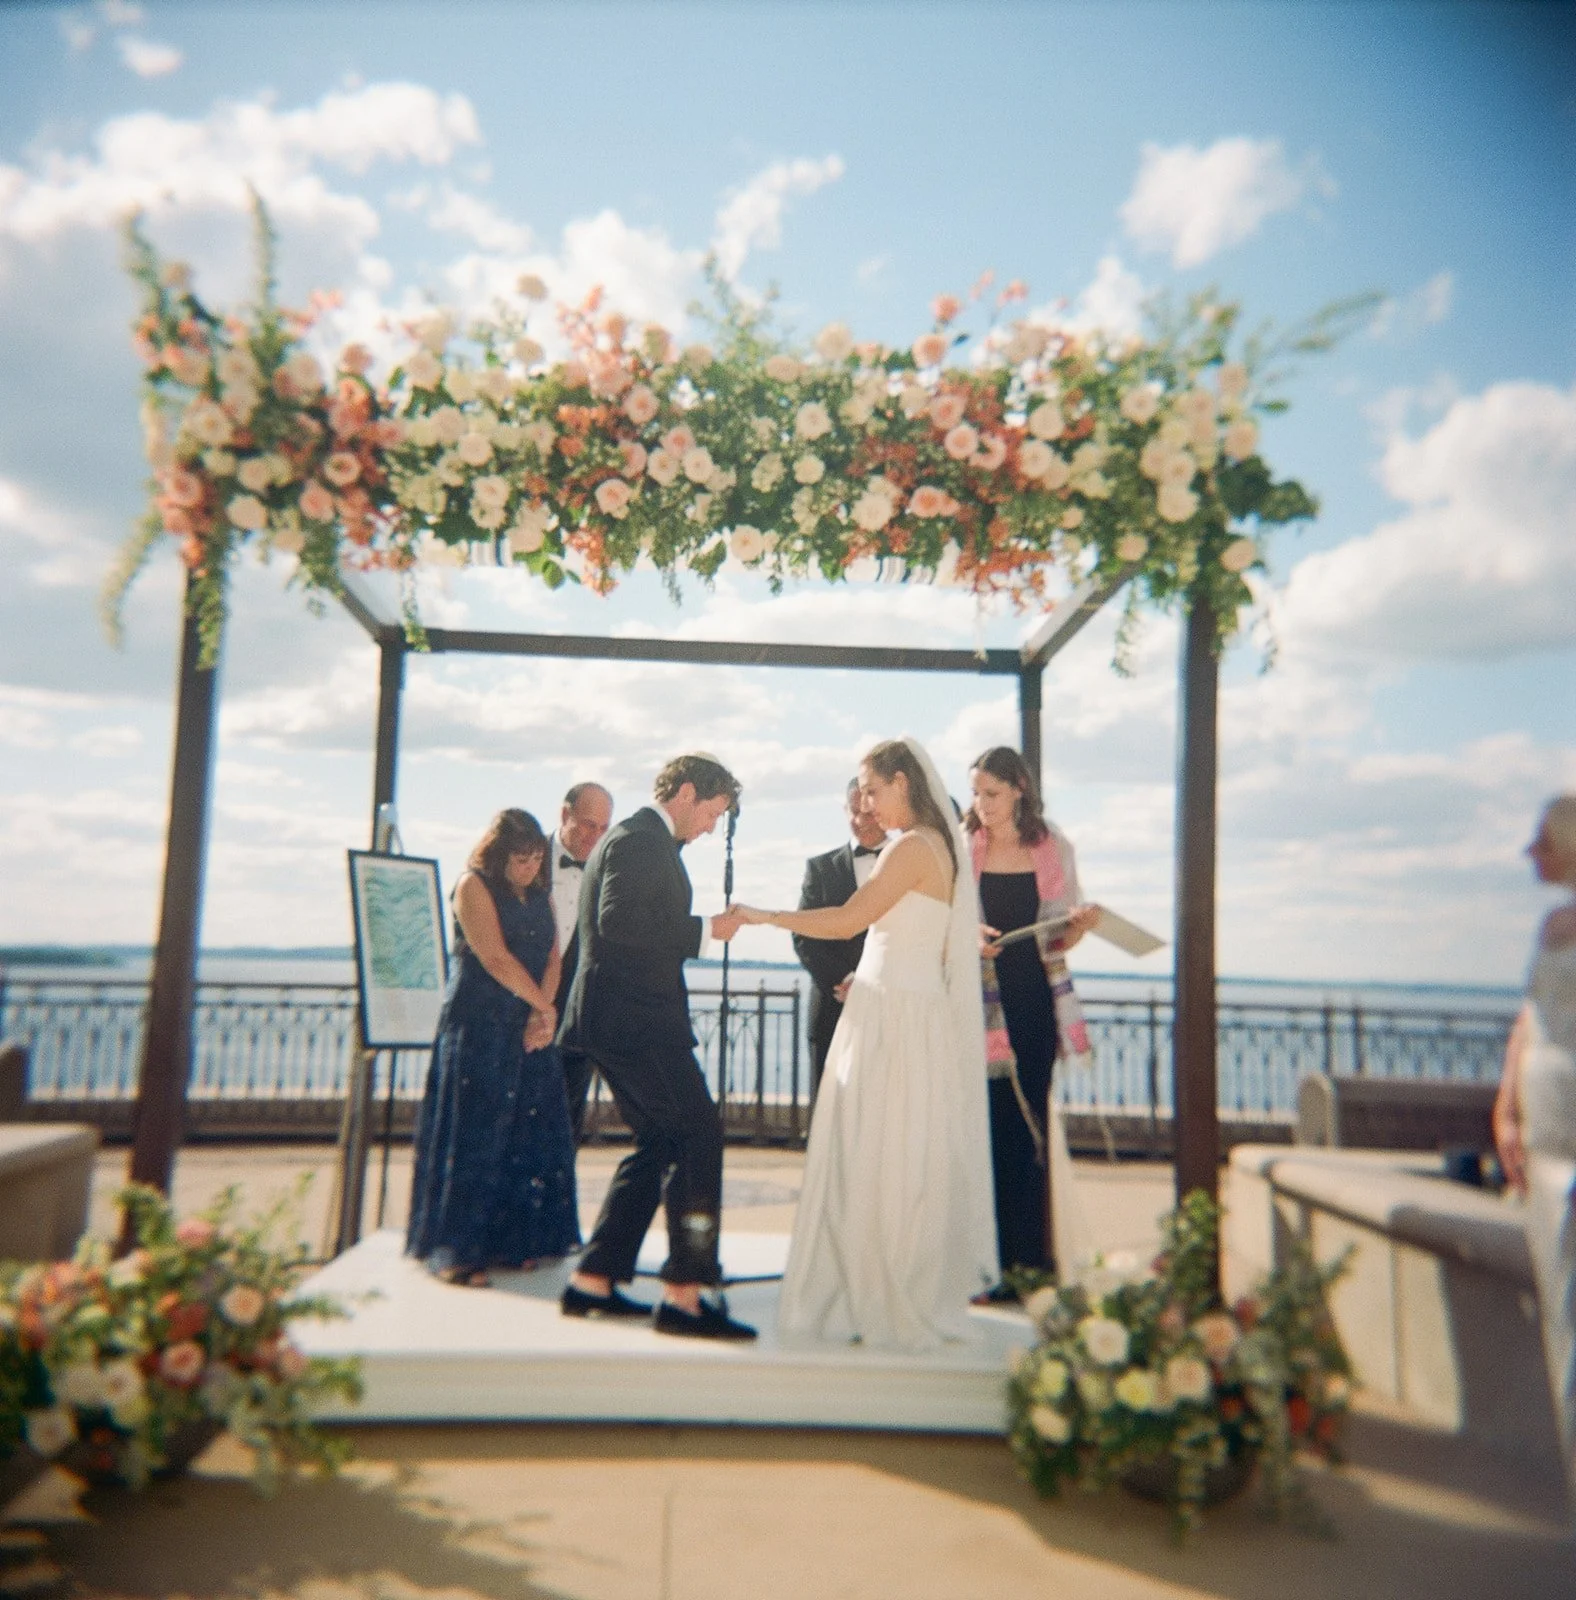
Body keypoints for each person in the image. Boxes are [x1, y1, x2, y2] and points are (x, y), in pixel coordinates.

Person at [733, 737, 998, 1351]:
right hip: (901, 1009)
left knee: (872, 1154)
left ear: (903, 782)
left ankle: (872, 1294)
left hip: (893, 1024)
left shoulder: (911, 846)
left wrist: (764, 916)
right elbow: (914, 940)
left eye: (873, 791)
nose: (868, 804)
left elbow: (850, 920)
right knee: (896, 1155)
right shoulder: (940, 847)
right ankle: (879, 1284)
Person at [558, 753, 755, 1340]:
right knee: (699, 1135)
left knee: (659, 1144)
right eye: (713, 813)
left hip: (621, 1021)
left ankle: (593, 1281)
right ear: (689, 793)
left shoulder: (639, 839)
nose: (712, 827)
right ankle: (685, 1295)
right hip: (635, 1025)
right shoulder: (642, 841)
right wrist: (703, 930)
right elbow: (620, 925)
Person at [407, 808, 579, 1286]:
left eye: (535, 859)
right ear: (498, 854)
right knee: (477, 1133)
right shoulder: (472, 886)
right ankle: (458, 1252)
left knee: (529, 1135)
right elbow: (495, 958)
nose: (528, 868)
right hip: (480, 1024)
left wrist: (541, 1013)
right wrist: (544, 1008)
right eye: (520, 860)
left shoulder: (540, 894)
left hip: (528, 1022)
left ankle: (517, 1241)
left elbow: (552, 955)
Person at [966, 747, 1100, 1297]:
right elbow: (944, 921)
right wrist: (967, 935)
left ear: (1019, 788)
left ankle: (1030, 1267)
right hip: (975, 1009)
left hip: (1033, 1006)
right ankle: (993, 1267)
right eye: (975, 792)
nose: (981, 804)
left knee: (1030, 1136)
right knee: (988, 1137)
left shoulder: (1053, 846)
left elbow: (1060, 935)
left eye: (991, 793)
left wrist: (1081, 926)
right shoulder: (963, 844)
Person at [1493, 793, 1576, 1493]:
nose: (1530, 854)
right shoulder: (1552, 922)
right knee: (1563, 1320)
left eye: (1540, 839)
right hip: (1546, 1143)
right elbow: (1530, 1017)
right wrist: (1508, 1110)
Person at [794, 777, 888, 1098]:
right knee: (828, 1107)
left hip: (890, 1005)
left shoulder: (907, 863)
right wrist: (846, 980)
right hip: (832, 1007)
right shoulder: (820, 868)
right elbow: (804, 935)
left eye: (868, 813)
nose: (860, 821)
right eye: (853, 811)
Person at [545, 780, 614, 1142]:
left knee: (564, 1136)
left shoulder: (608, 877)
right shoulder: (527, 860)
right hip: (518, 1022)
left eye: (604, 829)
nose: (596, 836)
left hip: (576, 1031)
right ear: (564, 814)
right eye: (589, 824)